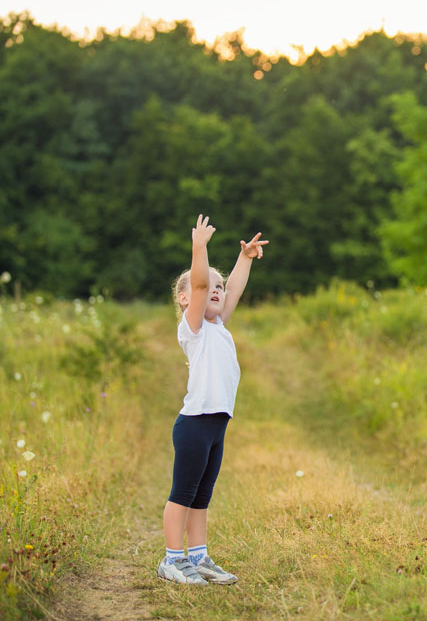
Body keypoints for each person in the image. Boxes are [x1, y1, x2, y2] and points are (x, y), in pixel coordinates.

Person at [157, 214, 268, 585]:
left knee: (203, 495)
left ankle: (199, 556)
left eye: (219, 287)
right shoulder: (194, 329)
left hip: (217, 424)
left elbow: (232, 289)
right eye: (209, 287)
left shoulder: (219, 325)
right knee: (183, 494)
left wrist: (245, 258)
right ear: (185, 298)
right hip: (194, 425)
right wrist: (199, 248)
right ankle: (173, 560)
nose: (217, 290)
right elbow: (201, 282)